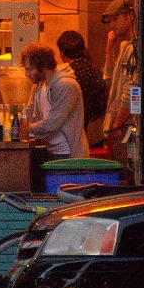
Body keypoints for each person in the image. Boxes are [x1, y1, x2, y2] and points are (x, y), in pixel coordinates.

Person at [21, 43, 89, 190]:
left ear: (42, 66)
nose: (26, 74)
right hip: (51, 150)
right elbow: (30, 111)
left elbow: (53, 122)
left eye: (29, 69)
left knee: (66, 194)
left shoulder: (65, 85)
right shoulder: (39, 85)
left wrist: (26, 130)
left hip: (68, 154)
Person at [101, 0, 139, 164]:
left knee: (127, 168)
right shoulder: (125, 47)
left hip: (126, 124)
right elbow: (108, 80)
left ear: (129, 16)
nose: (111, 25)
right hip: (122, 123)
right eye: (110, 21)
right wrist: (109, 51)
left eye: (115, 19)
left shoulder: (134, 49)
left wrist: (117, 123)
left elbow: (132, 90)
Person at [56, 30, 107, 147]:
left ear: (62, 53)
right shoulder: (95, 70)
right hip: (97, 134)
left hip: (77, 135)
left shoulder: (68, 75)